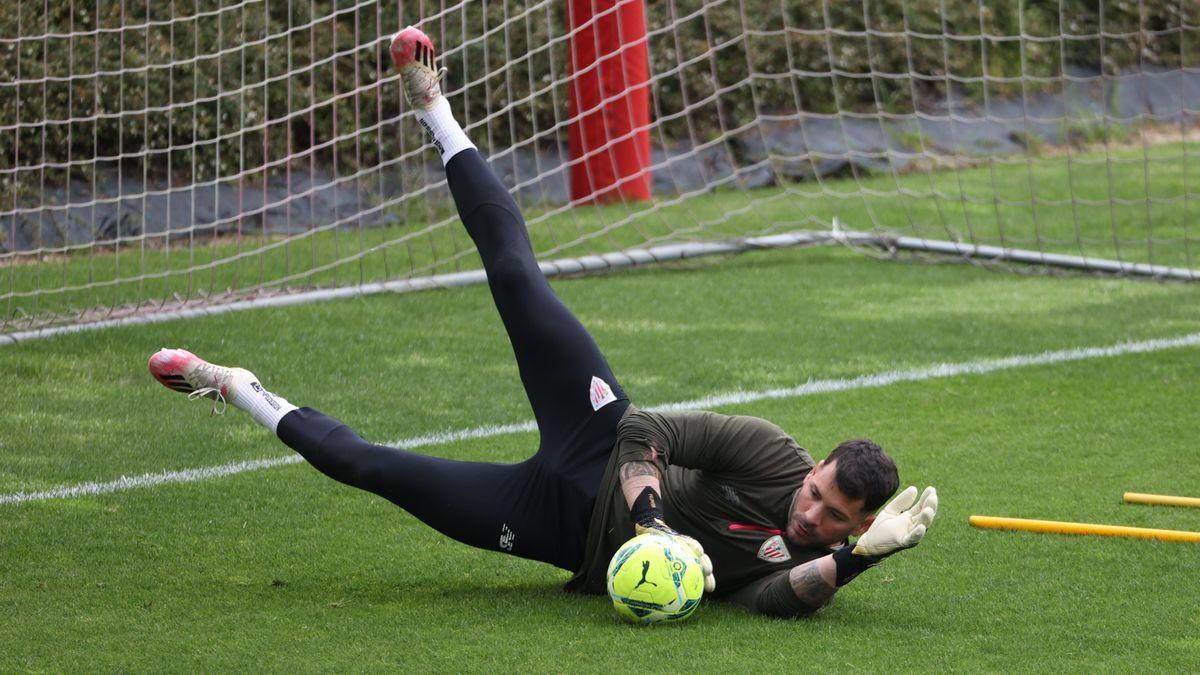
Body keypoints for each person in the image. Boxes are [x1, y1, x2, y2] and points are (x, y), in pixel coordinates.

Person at [148, 26, 938, 618]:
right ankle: (436, 108)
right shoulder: (769, 452)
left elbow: (777, 599)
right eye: (817, 494)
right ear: (813, 470)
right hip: (598, 435)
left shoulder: (827, 558)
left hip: (557, 526)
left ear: (862, 524)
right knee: (517, 277)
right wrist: (654, 527)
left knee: (377, 469)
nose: (811, 513)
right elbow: (645, 433)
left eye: (836, 517)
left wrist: (861, 559)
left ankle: (236, 387)